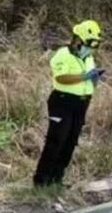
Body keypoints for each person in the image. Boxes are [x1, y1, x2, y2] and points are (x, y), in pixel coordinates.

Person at [33, 20, 104, 188]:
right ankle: (41, 180)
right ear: (78, 39)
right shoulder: (63, 54)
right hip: (63, 101)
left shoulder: (88, 58)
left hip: (81, 103)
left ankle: (56, 179)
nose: (90, 48)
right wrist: (85, 77)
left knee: (70, 142)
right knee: (56, 141)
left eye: (94, 45)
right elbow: (61, 77)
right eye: (88, 43)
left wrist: (94, 79)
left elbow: (88, 81)